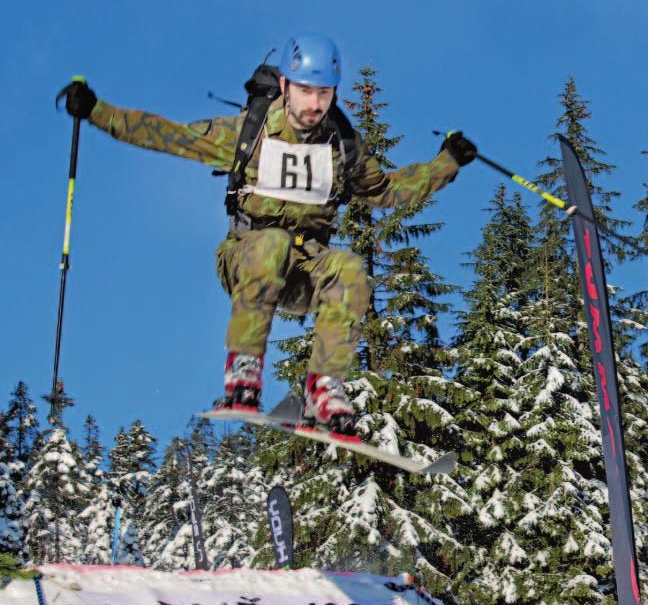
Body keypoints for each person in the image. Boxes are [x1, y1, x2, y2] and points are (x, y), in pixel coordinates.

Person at [62, 33, 477, 435]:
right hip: (247, 258)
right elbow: (172, 137)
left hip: (303, 272)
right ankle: (243, 371)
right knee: (272, 243)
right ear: (285, 86)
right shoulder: (251, 133)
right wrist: (98, 111)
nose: (315, 104)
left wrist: (446, 164)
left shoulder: (341, 148)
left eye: (324, 93)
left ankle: (324, 388)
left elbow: (386, 190)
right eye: (306, 91)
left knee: (349, 268)